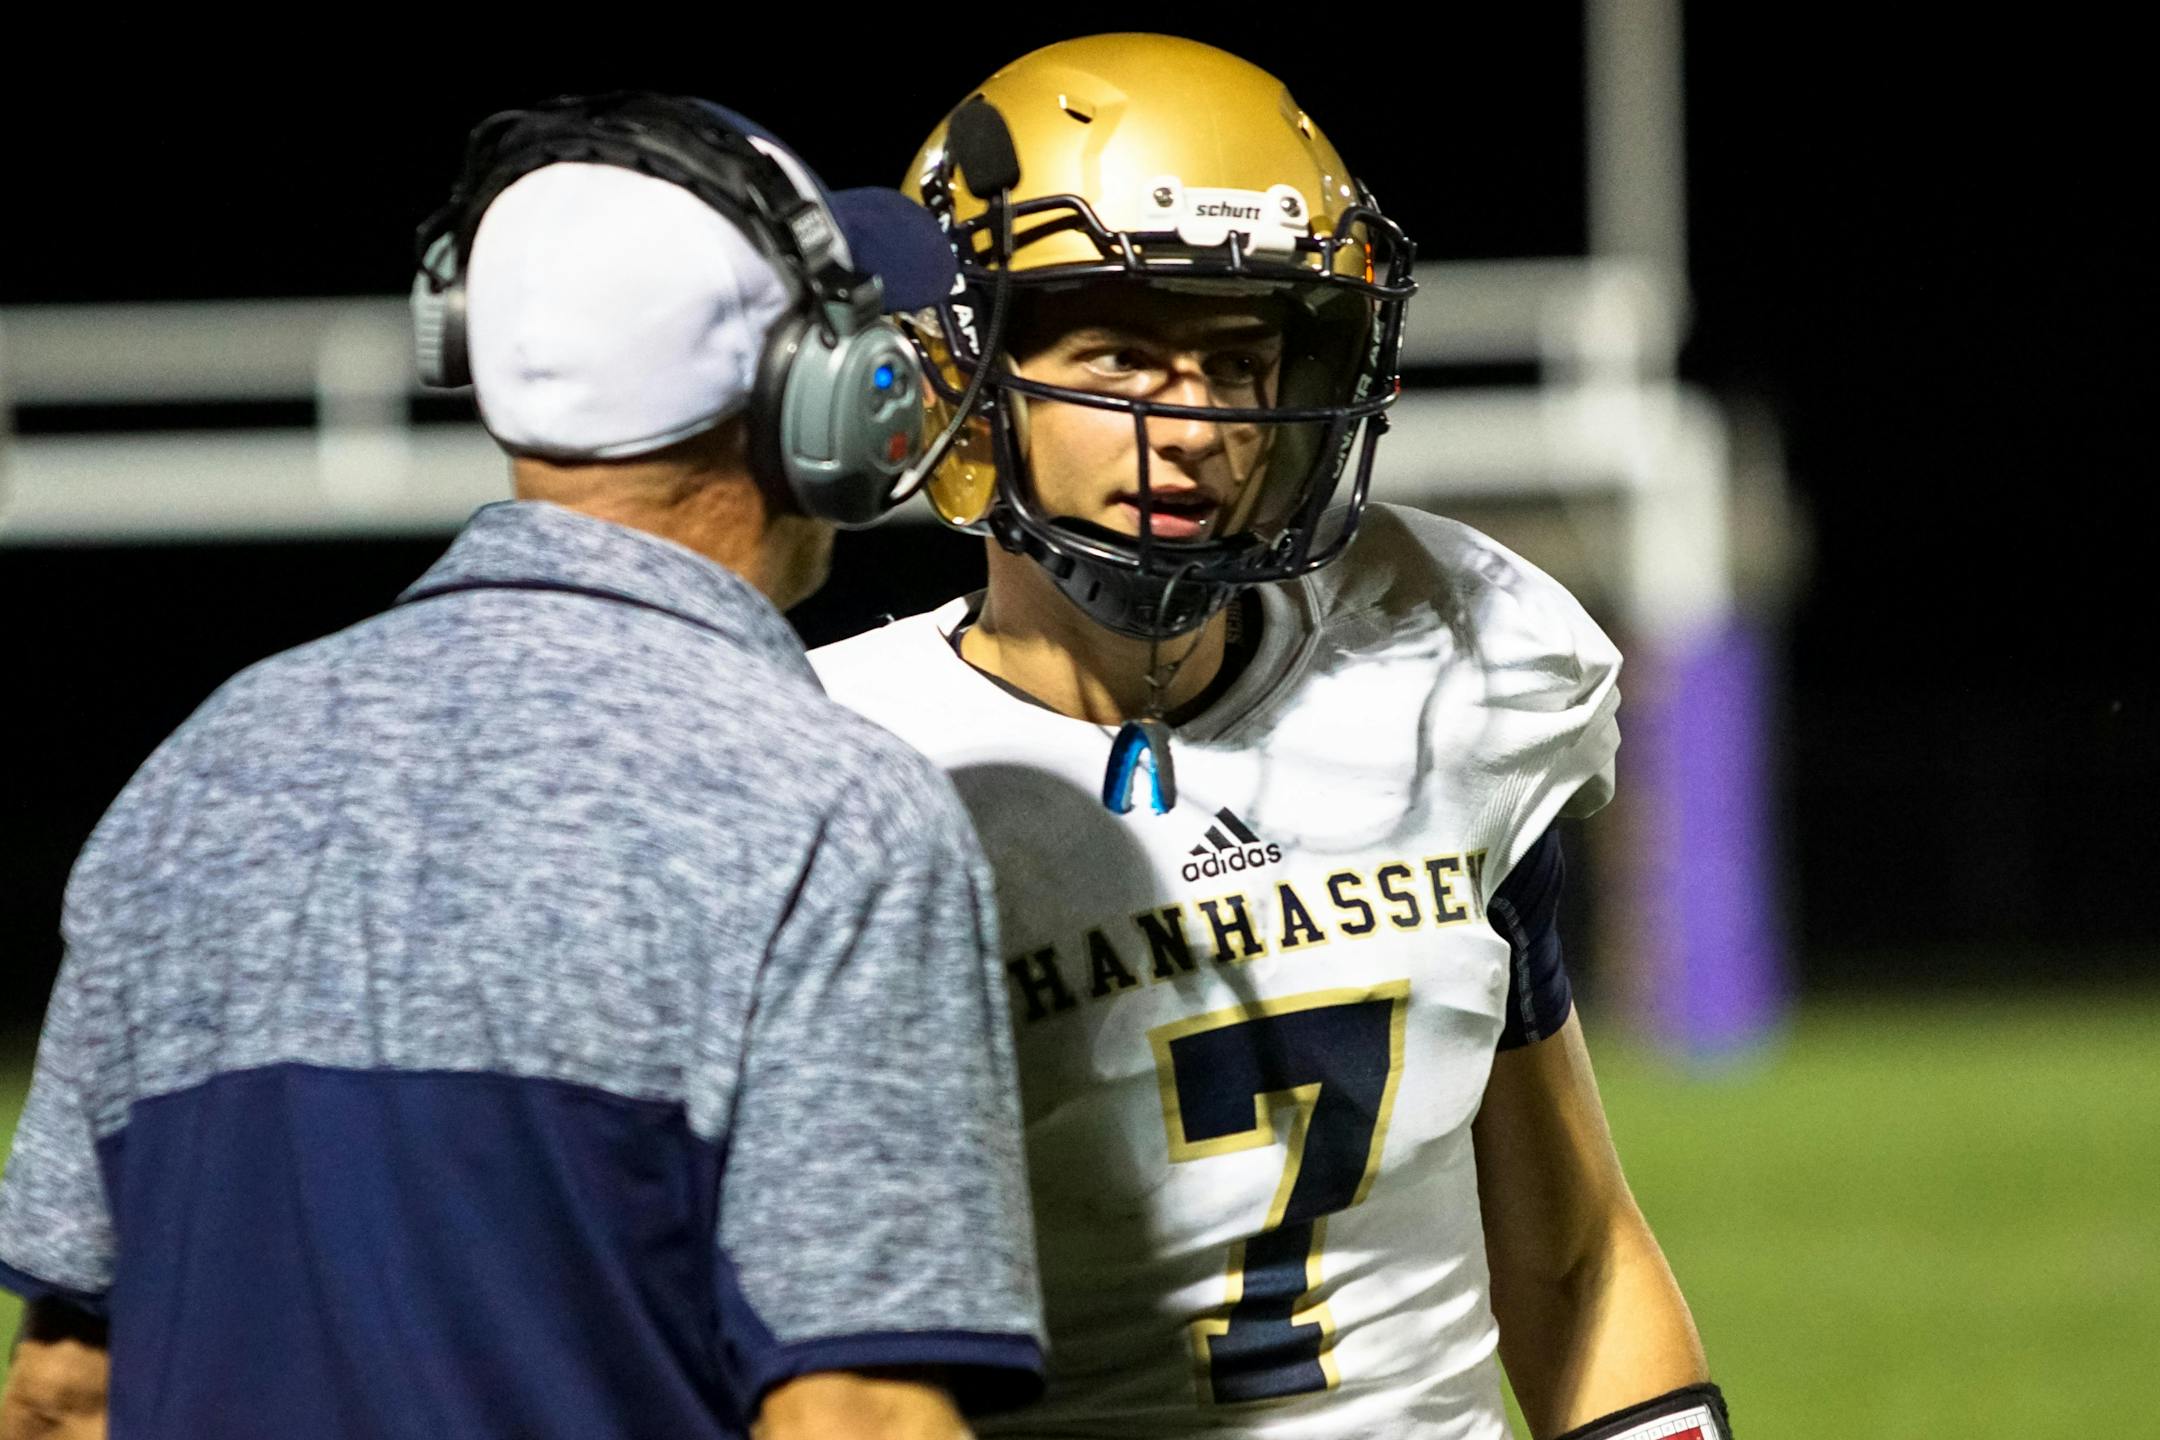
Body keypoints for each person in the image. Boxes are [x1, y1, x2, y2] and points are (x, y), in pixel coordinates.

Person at [0, 93, 1044, 1440]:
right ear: (819, 395)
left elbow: (63, 1395)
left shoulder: (196, 779)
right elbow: (858, 1413)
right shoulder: (830, 811)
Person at [811, 35, 1732, 1440]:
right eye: (1120, 351)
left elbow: (1573, 1257)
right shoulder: (832, 767)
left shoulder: (1447, 663)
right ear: (963, 378)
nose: (1194, 426)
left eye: (1240, 358)